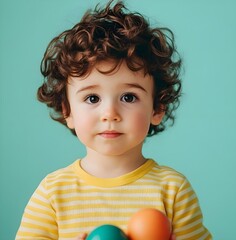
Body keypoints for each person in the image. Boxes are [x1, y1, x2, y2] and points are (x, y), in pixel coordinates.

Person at [16, 1, 212, 239]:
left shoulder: (173, 191)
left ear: (157, 108)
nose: (110, 113)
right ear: (68, 111)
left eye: (129, 97)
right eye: (92, 98)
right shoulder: (52, 193)